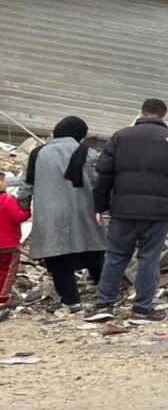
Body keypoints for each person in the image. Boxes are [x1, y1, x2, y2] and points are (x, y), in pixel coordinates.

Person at [93, 99, 168, 322]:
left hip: (123, 210)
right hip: (158, 212)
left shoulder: (120, 137)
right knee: (148, 258)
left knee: (115, 257)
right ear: (164, 117)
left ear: (140, 113)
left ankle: (104, 305)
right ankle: (141, 309)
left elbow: (103, 174)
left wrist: (99, 206)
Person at [17, 116, 109, 313]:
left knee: (58, 258)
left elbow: (27, 184)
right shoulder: (89, 153)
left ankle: (71, 301)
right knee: (93, 252)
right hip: (83, 212)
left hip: (49, 215)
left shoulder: (37, 153)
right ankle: (106, 295)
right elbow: (99, 182)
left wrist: (22, 206)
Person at [0, 172, 31, 316]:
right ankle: (3, 299)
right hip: (8, 246)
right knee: (8, 273)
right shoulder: (7, 200)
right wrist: (27, 211)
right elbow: (18, 217)